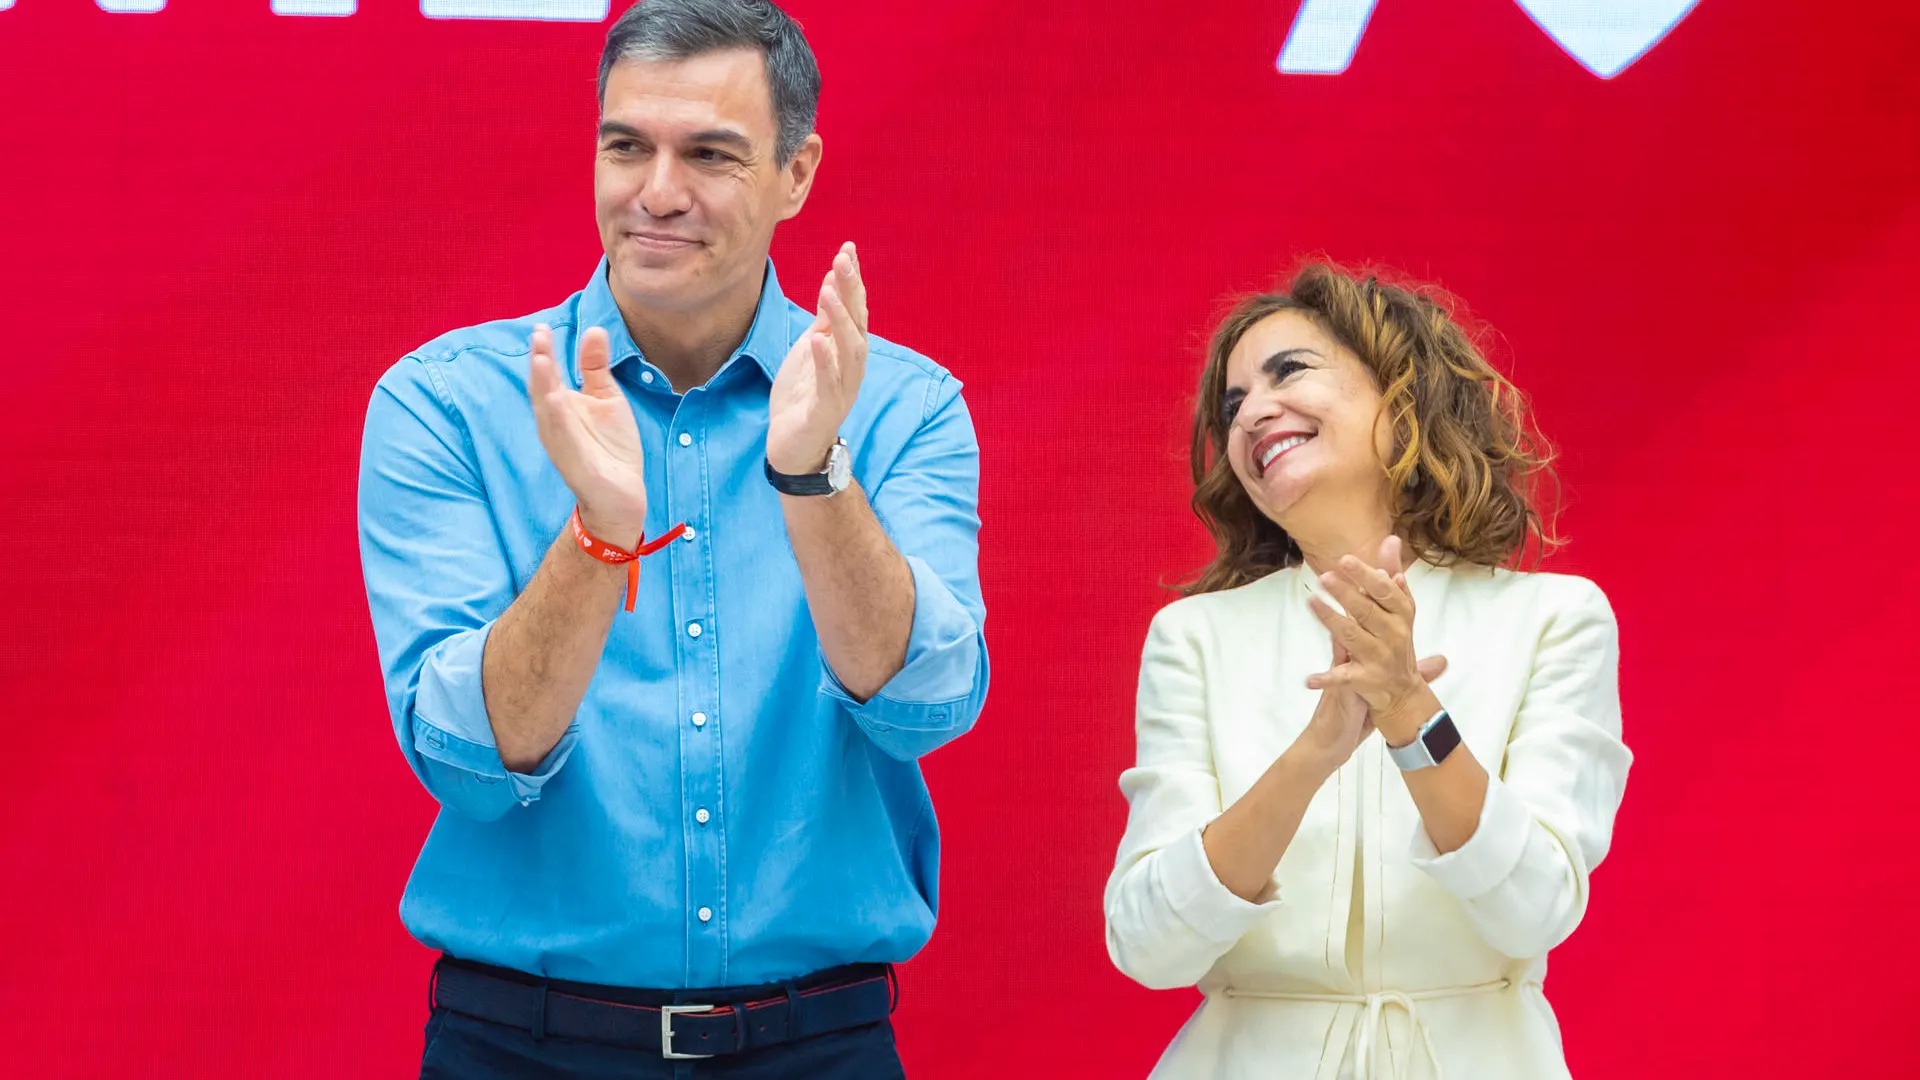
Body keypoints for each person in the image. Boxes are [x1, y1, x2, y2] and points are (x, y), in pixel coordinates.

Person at [356, 1, 988, 1075]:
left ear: (797, 174)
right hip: (523, 1045)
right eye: (626, 146)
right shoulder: (447, 402)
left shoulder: (902, 407)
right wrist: (600, 534)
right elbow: (466, 760)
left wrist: (812, 473)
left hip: (817, 1046)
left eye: (708, 153)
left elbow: (927, 704)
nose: (656, 192)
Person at [1103, 265, 1630, 1079]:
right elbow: (1148, 945)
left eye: (1291, 372)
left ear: (1401, 394)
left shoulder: (1555, 619)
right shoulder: (1193, 637)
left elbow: (1536, 910)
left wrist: (1410, 711)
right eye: (1233, 405)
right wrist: (1315, 751)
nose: (1252, 415)